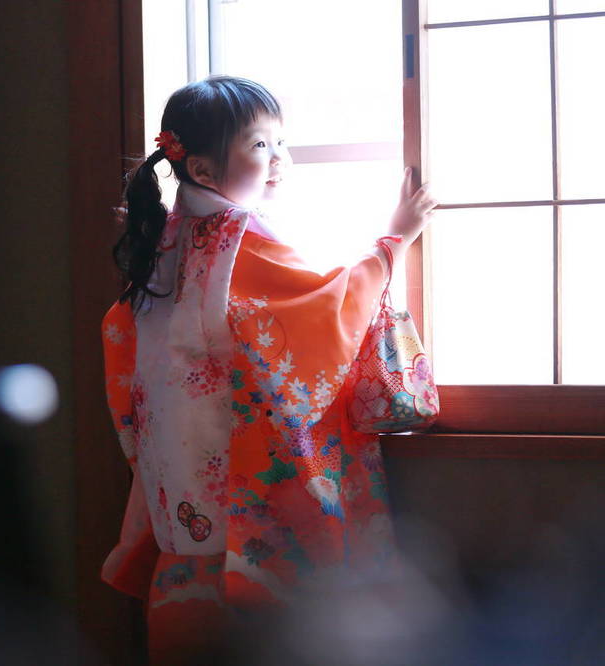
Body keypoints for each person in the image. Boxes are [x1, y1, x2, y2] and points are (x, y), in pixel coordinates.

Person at [100, 75, 437, 664]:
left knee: (192, 627)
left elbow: (122, 333)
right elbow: (321, 310)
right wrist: (393, 243)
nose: (280, 158)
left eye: (280, 141)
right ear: (202, 169)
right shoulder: (241, 237)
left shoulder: (165, 238)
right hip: (241, 477)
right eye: (261, 145)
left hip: (178, 480)